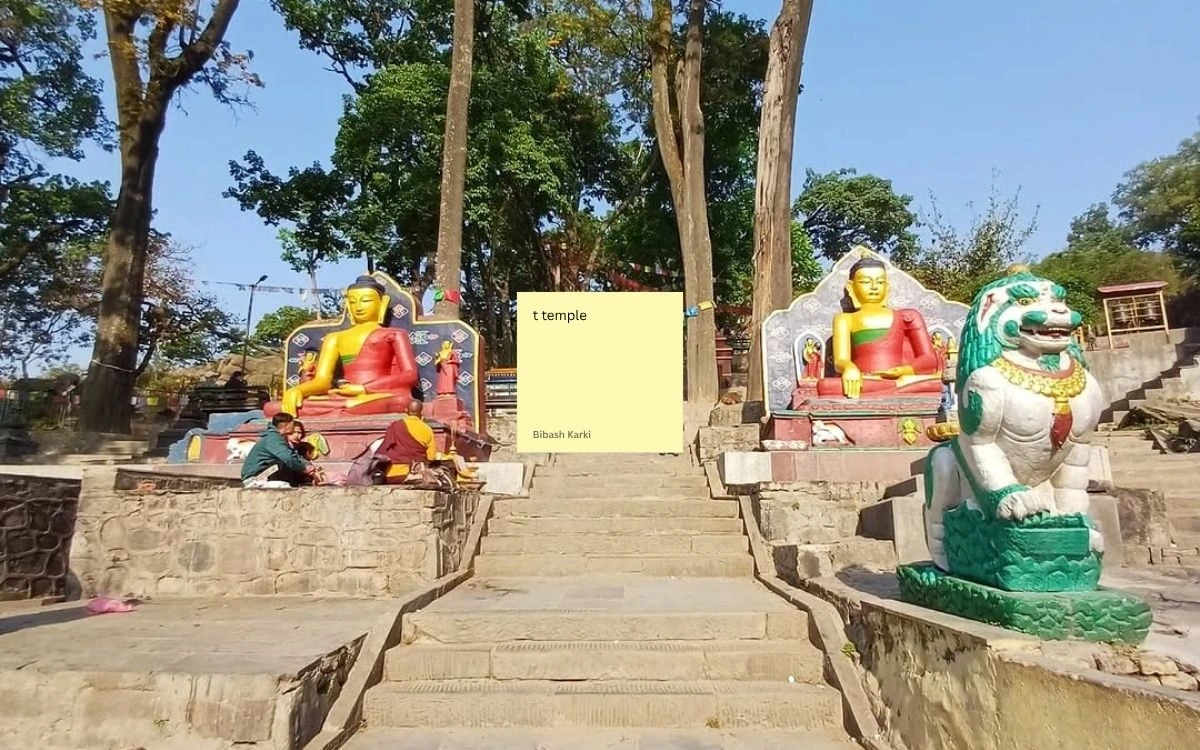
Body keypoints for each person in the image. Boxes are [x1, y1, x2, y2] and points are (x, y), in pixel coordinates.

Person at [240, 412, 316, 488]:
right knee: (285, 463)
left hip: (265, 472)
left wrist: (309, 467)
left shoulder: (280, 438)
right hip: (255, 477)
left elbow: (294, 456)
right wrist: (304, 469)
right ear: (287, 425)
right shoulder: (273, 439)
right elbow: (288, 458)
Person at [377, 400, 437, 482]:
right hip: (415, 474)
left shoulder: (395, 426)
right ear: (421, 412)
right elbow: (431, 457)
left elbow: (384, 450)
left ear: (406, 410)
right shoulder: (427, 429)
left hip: (391, 475)